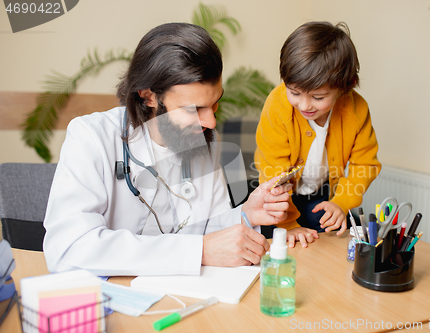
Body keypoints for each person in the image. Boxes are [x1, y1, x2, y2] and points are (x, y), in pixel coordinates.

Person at [43, 23, 291, 277]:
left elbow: (206, 230)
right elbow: (68, 249)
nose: (211, 122)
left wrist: (245, 215)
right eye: (192, 109)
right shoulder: (92, 138)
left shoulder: (204, 140)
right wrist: (199, 251)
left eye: (214, 104)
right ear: (149, 96)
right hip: (113, 295)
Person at [254, 21, 381, 247]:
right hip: (277, 195)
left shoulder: (357, 109)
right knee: (280, 242)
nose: (304, 105)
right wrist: (288, 225)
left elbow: (365, 165)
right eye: (294, 92)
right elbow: (274, 172)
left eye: (318, 97)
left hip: (323, 195)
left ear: (345, 86)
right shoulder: (277, 105)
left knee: (330, 243)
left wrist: (341, 203)